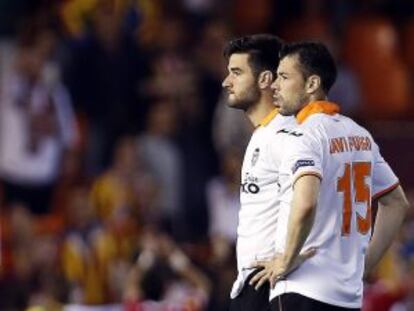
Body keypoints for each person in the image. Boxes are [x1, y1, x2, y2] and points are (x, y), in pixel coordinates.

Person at [249, 41, 410, 311]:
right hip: (347, 296)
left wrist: (285, 261)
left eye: (285, 77)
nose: (274, 85)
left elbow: (306, 203)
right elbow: (396, 203)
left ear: (312, 84)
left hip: (302, 290)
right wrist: (365, 264)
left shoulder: (302, 136)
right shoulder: (360, 135)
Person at [222, 34, 314, 311]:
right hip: (253, 283)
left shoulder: (287, 135)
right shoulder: (264, 135)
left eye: (236, 73)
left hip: (271, 286)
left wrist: (289, 259)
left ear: (264, 80)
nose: (226, 82)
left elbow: (313, 202)